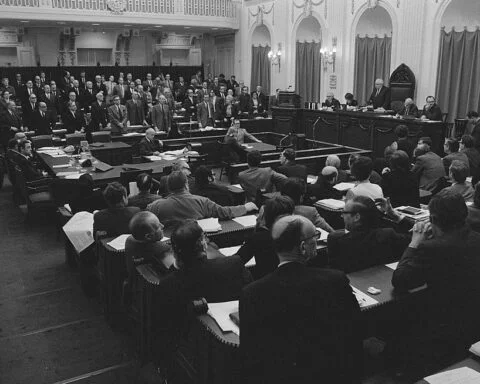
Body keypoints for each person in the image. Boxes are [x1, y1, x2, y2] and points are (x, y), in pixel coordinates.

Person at [240, 215, 363, 384]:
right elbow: (355, 327)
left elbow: (251, 354)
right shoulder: (335, 280)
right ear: (303, 247)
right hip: (332, 372)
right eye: (315, 237)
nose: (317, 241)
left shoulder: (251, 293)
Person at [392, 192, 480, 375]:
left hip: (442, 320)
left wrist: (414, 242)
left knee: (400, 312)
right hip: (473, 314)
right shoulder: (475, 237)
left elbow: (400, 280)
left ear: (433, 218)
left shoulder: (432, 248)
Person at [328, 196, 410, 273]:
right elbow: (415, 236)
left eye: (344, 212)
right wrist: (394, 215)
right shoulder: (387, 235)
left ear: (357, 217)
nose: (341, 215)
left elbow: (334, 270)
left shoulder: (335, 239)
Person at [147, 171, 257, 228]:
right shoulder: (202, 201)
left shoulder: (154, 206)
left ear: (169, 187)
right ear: (186, 185)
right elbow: (224, 212)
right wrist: (245, 207)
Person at [238, 195, 295, 279]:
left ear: (266, 217)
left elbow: (237, 262)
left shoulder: (257, 238)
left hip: (265, 283)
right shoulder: (299, 235)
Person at [125, 211, 172, 281]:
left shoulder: (129, 240)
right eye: (158, 226)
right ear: (148, 237)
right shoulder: (163, 249)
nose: (162, 225)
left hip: (134, 282)